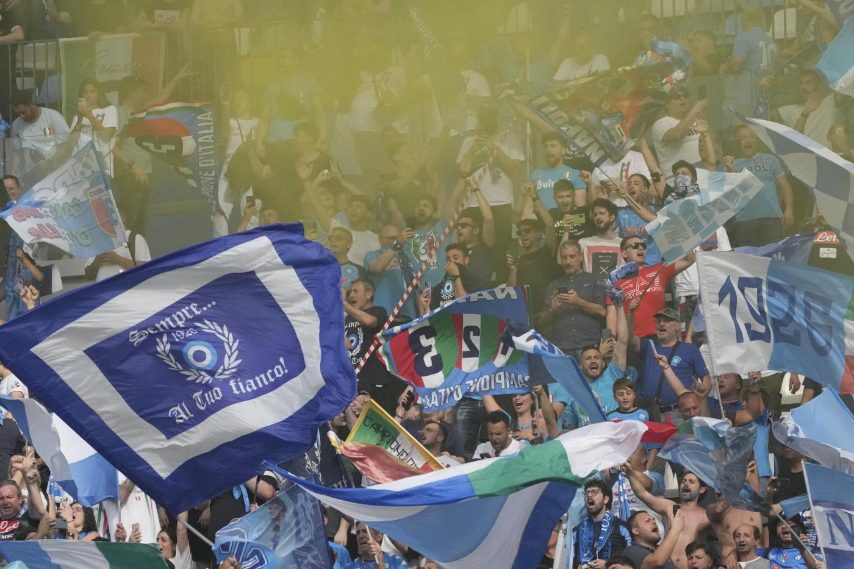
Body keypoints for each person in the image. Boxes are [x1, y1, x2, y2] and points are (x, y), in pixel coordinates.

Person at [551, 292, 629, 427]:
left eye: (597, 357)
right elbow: (569, 425)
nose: (593, 361)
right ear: (581, 365)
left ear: (603, 363)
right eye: (588, 359)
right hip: (589, 437)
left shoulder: (612, 374)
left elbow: (622, 340)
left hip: (611, 434)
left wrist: (619, 307)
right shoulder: (575, 389)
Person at [606, 237, 694, 339]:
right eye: (635, 246)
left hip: (660, 337)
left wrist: (680, 235)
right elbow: (612, 316)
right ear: (624, 253)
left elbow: (689, 260)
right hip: (634, 340)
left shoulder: (659, 269)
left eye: (643, 246)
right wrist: (611, 340)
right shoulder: (615, 283)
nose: (640, 248)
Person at [633, 307, 711, 422]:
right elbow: (627, 338)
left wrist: (702, 392)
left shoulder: (690, 349)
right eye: (658, 321)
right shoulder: (649, 346)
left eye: (666, 321)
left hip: (677, 413)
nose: (661, 324)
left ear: (677, 326)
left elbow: (707, 380)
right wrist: (630, 313)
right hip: (647, 412)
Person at [624, 468, 710, 569]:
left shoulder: (706, 516)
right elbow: (642, 493)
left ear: (701, 489)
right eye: (683, 481)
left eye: (691, 482)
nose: (686, 484)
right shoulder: (671, 507)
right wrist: (630, 473)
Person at [726, 124, 795, 247]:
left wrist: (789, 210)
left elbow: (785, 186)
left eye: (751, 136)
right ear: (737, 142)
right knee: (748, 259)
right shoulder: (731, 164)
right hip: (743, 222)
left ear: (757, 140)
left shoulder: (771, 159)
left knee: (773, 256)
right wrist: (730, 172)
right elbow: (729, 198)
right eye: (743, 137)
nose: (747, 140)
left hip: (771, 218)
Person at [540, 240, 605, 356]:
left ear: (580, 257)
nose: (568, 262)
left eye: (572, 257)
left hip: (590, 345)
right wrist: (552, 309)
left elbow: (603, 312)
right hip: (561, 347)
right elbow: (542, 322)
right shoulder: (553, 285)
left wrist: (578, 301)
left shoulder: (595, 280)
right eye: (564, 258)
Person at [506, 217, 561, 319]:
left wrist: (535, 204)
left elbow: (549, 225)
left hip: (550, 312)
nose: (523, 234)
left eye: (527, 231)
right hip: (528, 315)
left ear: (538, 233)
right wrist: (513, 270)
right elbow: (510, 292)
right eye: (520, 233)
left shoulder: (547, 251)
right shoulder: (519, 261)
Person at [651, 88, 706, 184]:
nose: (682, 98)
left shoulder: (695, 121)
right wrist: (696, 108)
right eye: (677, 97)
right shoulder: (661, 124)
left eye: (685, 96)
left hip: (700, 176)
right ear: (667, 104)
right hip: (677, 180)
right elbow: (677, 134)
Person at [573, 479, 632, 568]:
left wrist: (608, 565)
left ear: (605, 499)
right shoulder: (577, 530)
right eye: (587, 492)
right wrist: (578, 566)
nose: (589, 495)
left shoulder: (621, 527)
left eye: (594, 492)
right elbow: (567, 559)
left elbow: (630, 558)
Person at [522, 131, 587, 212]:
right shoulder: (535, 175)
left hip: (566, 219)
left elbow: (581, 212)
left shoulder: (575, 174)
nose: (548, 149)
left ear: (563, 150)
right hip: (541, 220)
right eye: (546, 147)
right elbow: (527, 211)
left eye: (553, 146)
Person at [775, 69, 839, 148]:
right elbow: (796, 141)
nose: (803, 87)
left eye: (808, 83)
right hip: (803, 153)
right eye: (801, 83)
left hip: (826, 154)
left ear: (818, 84)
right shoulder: (790, 110)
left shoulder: (829, 103)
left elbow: (844, 85)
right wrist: (804, 113)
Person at [365, 224, 418, 319]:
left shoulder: (407, 255)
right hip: (384, 310)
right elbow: (377, 268)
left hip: (408, 310)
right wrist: (397, 244)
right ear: (380, 239)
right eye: (391, 238)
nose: (394, 241)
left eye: (397, 238)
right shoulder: (372, 255)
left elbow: (417, 280)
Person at [84, 209, 152, 282]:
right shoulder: (100, 241)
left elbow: (146, 268)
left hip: (126, 287)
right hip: (104, 288)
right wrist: (97, 261)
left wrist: (118, 259)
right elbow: (88, 274)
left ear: (123, 217)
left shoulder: (135, 238)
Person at [70, 78, 118, 177]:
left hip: (102, 167)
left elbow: (107, 137)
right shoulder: (78, 115)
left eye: (93, 92)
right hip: (80, 168)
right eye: (85, 92)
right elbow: (71, 143)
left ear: (99, 93)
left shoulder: (109, 109)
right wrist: (79, 120)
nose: (88, 95)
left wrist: (90, 116)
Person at [9, 89, 70, 166]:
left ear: (32, 104)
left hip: (55, 166)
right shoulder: (16, 125)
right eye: (18, 113)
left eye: (23, 112)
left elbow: (66, 146)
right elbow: (17, 151)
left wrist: (49, 163)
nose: (21, 116)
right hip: (30, 170)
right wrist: (15, 166)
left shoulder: (53, 117)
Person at [331, 195, 380, 267]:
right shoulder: (339, 232)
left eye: (358, 206)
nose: (353, 209)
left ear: (368, 214)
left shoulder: (375, 239)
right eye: (350, 206)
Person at [580, 199, 623, 277]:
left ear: (612, 217)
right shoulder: (583, 243)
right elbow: (561, 260)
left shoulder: (622, 244)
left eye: (602, 213)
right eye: (595, 215)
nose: (598, 217)